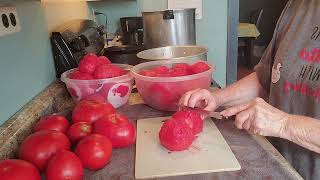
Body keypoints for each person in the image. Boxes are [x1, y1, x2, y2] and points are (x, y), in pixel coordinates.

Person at [179, 0, 320, 179]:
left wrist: (284, 124)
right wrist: (218, 98)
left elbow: (282, 123)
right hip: (276, 166)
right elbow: (266, 79)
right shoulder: (297, 6)